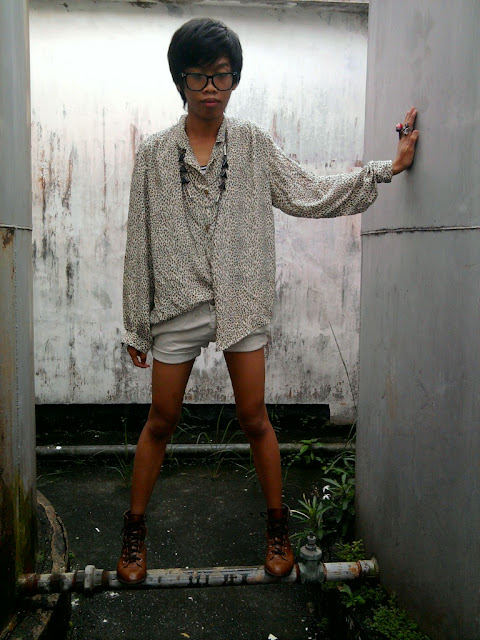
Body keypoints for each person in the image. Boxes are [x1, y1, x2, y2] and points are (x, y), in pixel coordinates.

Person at [118, 17, 419, 584]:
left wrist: (387, 169)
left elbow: (307, 191)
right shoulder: (155, 154)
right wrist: (136, 324)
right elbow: (140, 241)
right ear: (180, 80)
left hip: (240, 296)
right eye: (199, 76)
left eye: (222, 76)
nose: (211, 88)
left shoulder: (253, 145)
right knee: (161, 419)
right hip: (177, 300)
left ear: (235, 79)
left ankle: (278, 528)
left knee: (255, 417)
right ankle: (134, 531)